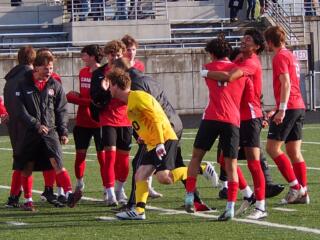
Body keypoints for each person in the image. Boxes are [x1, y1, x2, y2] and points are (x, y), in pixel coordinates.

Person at [111, 58, 217, 212]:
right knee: (140, 173)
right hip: (154, 140)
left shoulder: (137, 95)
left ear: (116, 84)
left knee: (164, 177)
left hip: (164, 137)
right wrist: (143, 136)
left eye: (109, 85)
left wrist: (160, 142)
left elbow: (156, 117)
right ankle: (139, 211)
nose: (108, 89)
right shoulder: (132, 97)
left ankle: (202, 168)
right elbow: (147, 120)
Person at [200, 30, 268, 219]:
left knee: (254, 162)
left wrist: (205, 72)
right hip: (235, 116)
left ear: (257, 47)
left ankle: (261, 206)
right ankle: (248, 194)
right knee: (224, 159)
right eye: (243, 38)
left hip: (251, 116)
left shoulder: (251, 63)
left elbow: (229, 77)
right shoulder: (238, 57)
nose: (244, 41)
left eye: (249, 40)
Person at [185, 37, 251, 221]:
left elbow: (216, 75)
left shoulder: (208, 68)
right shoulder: (240, 71)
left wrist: (205, 72)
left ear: (212, 53)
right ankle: (230, 207)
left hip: (211, 117)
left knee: (196, 157)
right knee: (231, 166)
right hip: (232, 119)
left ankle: (190, 195)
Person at [14, 52, 81, 211]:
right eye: (45, 68)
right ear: (36, 67)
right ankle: (28, 200)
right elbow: (19, 110)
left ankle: (70, 194)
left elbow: (61, 110)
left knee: (57, 163)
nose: (49, 71)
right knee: (27, 167)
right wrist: (35, 124)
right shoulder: (23, 84)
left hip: (50, 132)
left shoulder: (54, 85)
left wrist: (63, 131)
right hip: (29, 133)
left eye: (51, 68)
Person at [3, 46, 63, 208]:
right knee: (46, 158)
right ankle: (48, 191)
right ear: (34, 61)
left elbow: (10, 102)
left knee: (20, 162)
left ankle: (14, 197)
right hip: (31, 126)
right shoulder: (28, 78)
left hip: (15, 125)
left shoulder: (10, 79)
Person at [264, 26, 309, 204]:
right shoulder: (290, 55)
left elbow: (286, 83)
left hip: (289, 107)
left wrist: (281, 109)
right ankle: (303, 193)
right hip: (298, 106)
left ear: (269, 42)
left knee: (272, 148)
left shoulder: (280, 56)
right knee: (293, 151)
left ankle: (296, 187)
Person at [121, 34, 163, 198]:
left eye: (133, 49)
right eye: (128, 50)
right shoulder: (121, 67)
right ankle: (125, 192)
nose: (131, 53)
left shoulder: (138, 66)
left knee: (146, 151)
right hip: (128, 115)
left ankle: (144, 188)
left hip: (141, 115)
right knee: (138, 155)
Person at [90, 40, 132, 206]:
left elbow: (134, 93)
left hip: (126, 118)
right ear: (106, 55)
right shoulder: (99, 73)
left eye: (118, 54)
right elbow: (95, 98)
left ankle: (120, 188)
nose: (114, 57)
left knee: (124, 159)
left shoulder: (128, 71)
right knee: (110, 157)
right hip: (107, 119)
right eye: (111, 54)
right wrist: (104, 90)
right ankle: (109, 193)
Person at [66, 45, 106, 199]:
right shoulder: (82, 72)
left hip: (98, 121)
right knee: (80, 155)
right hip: (82, 121)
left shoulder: (103, 73)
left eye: (84, 55)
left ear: (93, 56)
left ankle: (106, 186)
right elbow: (86, 97)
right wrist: (79, 98)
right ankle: (80, 183)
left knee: (102, 157)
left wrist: (75, 99)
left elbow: (95, 101)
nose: (82, 58)